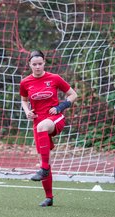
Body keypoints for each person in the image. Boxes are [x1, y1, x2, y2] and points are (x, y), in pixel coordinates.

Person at [20, 50, 77, 207]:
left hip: (54, 118)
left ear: (44, 63)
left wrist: (61, 107)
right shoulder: (25, 82)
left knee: (43, 128)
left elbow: (73, 94)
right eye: (34, 64)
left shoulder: (54, 78)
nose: (37, 67)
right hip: (38, 124)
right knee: (44, 158)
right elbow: (24, 100)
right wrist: (27, 111)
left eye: (40, 64)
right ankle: (49, 197)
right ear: (30, 65)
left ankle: (44, 169)